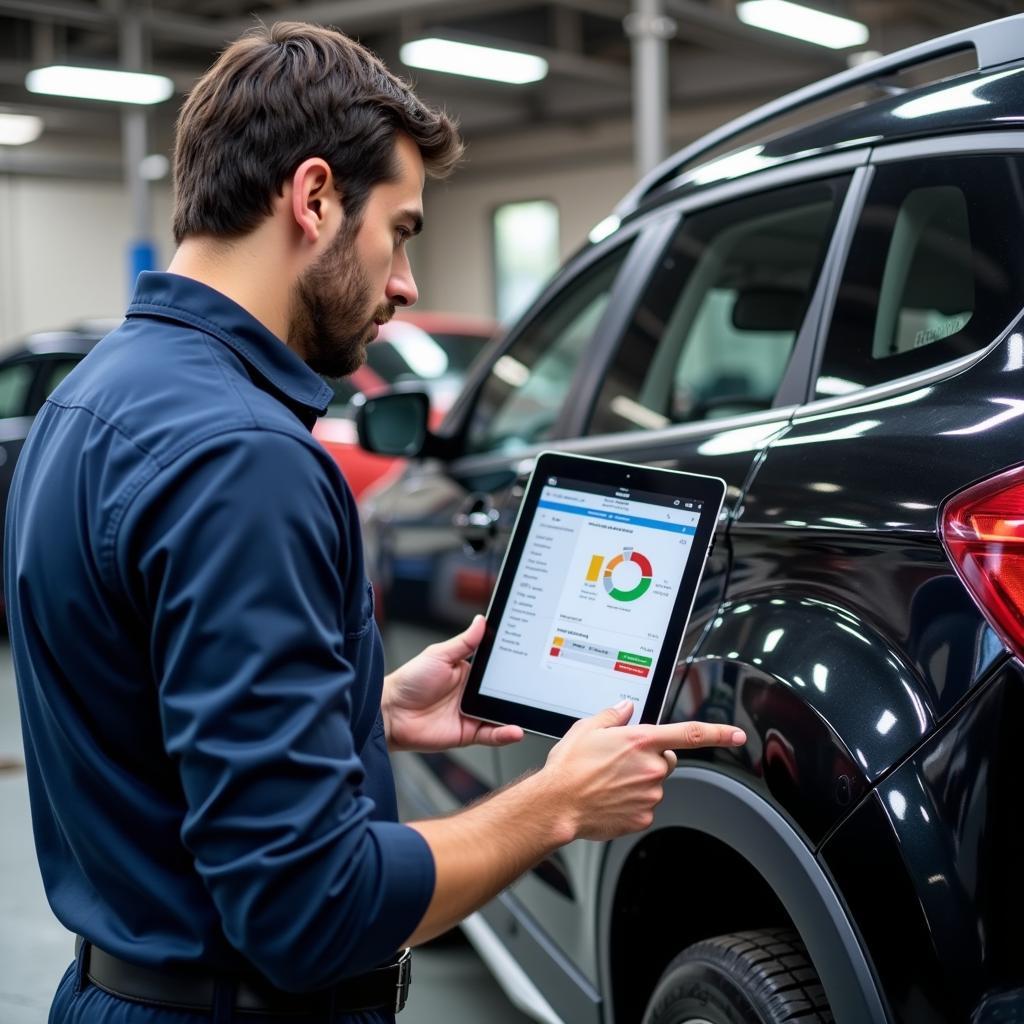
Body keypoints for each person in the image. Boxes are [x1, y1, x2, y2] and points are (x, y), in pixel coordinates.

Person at [6, 21, 747, 1024]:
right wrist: (554, 802)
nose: (404, 284)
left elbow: (136, 703)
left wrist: (364, 705)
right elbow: (312, 909)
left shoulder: (93, 398)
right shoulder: (247, 457)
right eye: (399, 230)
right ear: (314, 198)